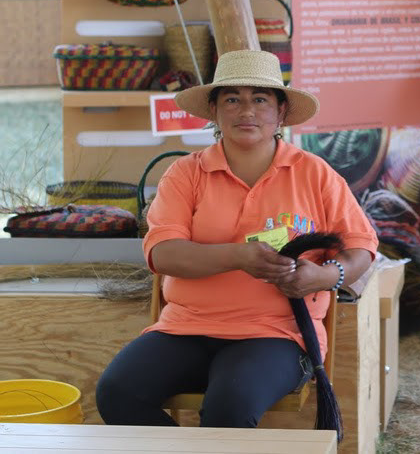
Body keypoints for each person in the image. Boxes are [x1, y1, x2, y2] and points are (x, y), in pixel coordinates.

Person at [96, 50, 378, 428]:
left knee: (230, 406)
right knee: (117, 392)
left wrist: (325, 277)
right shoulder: (185, 174)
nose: (247, 111)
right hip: (187, 327)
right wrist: (239, 257)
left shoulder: (314, 174)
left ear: (280, 113)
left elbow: (361, 247)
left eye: (260, 100)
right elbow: (163, 254)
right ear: (214, 111)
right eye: (233, 100)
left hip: (276, 335)